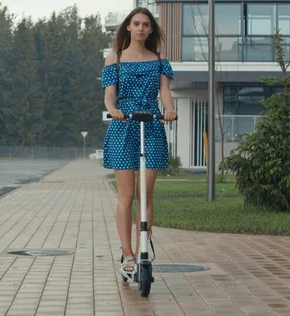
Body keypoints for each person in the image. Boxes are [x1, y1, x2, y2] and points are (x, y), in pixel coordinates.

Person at [100, 7, 176, 279]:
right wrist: (115, 110)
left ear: (151, 29)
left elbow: (165, 93)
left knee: (146, 193)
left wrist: (169, 110)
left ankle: (144, 246)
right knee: (126, 195)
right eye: (137, 23)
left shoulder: (159, 60)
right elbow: (110, 96)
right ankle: (127, 253)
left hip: (151, 124)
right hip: (123, 125)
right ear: (128, 27)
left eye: (146, 24)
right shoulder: (115, 60)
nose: (142, 28)